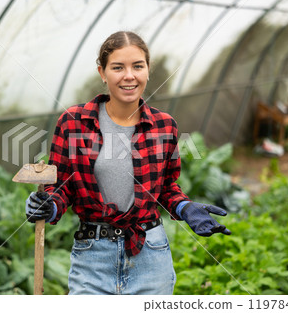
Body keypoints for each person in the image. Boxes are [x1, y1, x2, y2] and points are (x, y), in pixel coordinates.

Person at [25, 31, 231, 295]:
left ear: (147, 70)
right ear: (102, 72)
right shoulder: (73, 122)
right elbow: (62, 186)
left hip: (150, 256)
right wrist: (49, 206)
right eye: (118, 67)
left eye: (137, 66)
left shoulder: (164, 126)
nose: (129, 76)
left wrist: (185, 208)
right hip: (93, 257)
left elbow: (166, 187)